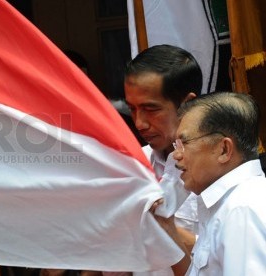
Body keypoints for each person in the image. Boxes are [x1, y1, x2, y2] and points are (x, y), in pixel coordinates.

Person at [103, 44, 203, 276]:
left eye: (151, 109)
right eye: (132, 109)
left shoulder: (219, 172)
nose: (140, 123)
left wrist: (162, 227)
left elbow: (227, 251)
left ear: (186, 104)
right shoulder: (130, 167)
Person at [154, 91, 266, 275]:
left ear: (224, 149)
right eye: (176, 146)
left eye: (185, 143)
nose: (176, 156)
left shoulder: (242, 209)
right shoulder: (232, 203)